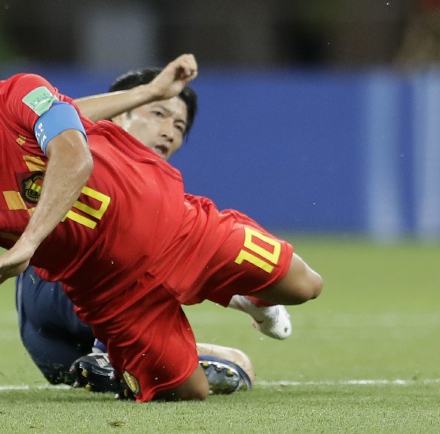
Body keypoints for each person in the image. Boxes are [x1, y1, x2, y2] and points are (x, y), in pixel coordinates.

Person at [0, 53, 323, 402]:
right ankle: (204, 357)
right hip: (112, 294)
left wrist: (29, 241)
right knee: (187, 394)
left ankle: (249, 296)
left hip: (179, 229)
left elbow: (73, 154)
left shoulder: (17, 94)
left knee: (306, 286)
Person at [15, 63, 292, 396]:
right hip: (52, 295)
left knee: (240, 366)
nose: (170, 131)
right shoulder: (67, 146)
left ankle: (118, 365)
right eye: (158, 113)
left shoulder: (161, 198)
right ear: (117, 114)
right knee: (128, 255)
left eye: (179, 125)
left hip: (57, 352)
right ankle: (119, 357)